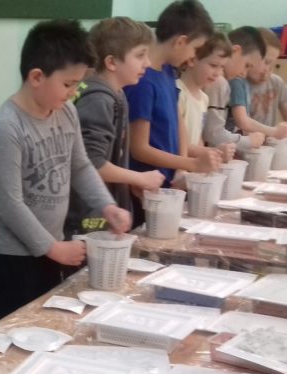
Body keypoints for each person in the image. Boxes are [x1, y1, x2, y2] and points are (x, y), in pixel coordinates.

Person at [0, 19, 132, 324]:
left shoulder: (66, 112)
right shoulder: (6, 128)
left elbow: (81, 166)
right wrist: (53, 248)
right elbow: (10, 205)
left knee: (45, 323)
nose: (74, 92)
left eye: (78, 84)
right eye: (68, 84)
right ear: (37, 77)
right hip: (10, 258)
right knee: (14, 330)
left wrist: (107, 205)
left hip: (48, 248)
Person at [65, 16, 163, 239]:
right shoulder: (99, 99)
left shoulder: (115, 93)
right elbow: (92, 163)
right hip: (84, 219)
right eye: (140, 55)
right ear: (111, 62)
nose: (147, 63)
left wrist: (128, 181)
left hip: (96, 213)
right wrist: (137, 178)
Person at [124, 0, 218, 228]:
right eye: (195, 49)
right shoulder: (143, 81)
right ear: (180, 42)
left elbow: (179, 123)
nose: (193, 57)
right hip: (144, 192)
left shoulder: (167, 71)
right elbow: (139, 148)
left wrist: (181, 169)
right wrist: (191, 163)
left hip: (168, 187)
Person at [204, 26, 286, 148]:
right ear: (236, 51)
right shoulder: (223, 83)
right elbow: (213, 133)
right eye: (247, 65)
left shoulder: (228, 82)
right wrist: (249, 141)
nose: (244, 73)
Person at [178, 33, 239, 158]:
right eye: (213, 65)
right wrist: (214, 152)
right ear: (192, 60)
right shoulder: (177, 92)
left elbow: (198, 140)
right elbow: (177, 144)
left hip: (191, 166)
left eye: (222, 67)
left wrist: (212, 155)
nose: (218, 73)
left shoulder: (204, 98)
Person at [248, 27, 287, 127]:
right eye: (266, 62)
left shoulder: (276, 82)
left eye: (272, 65)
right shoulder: (238, 84)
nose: (268, 70)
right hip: (247, 136)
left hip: (271, 136)